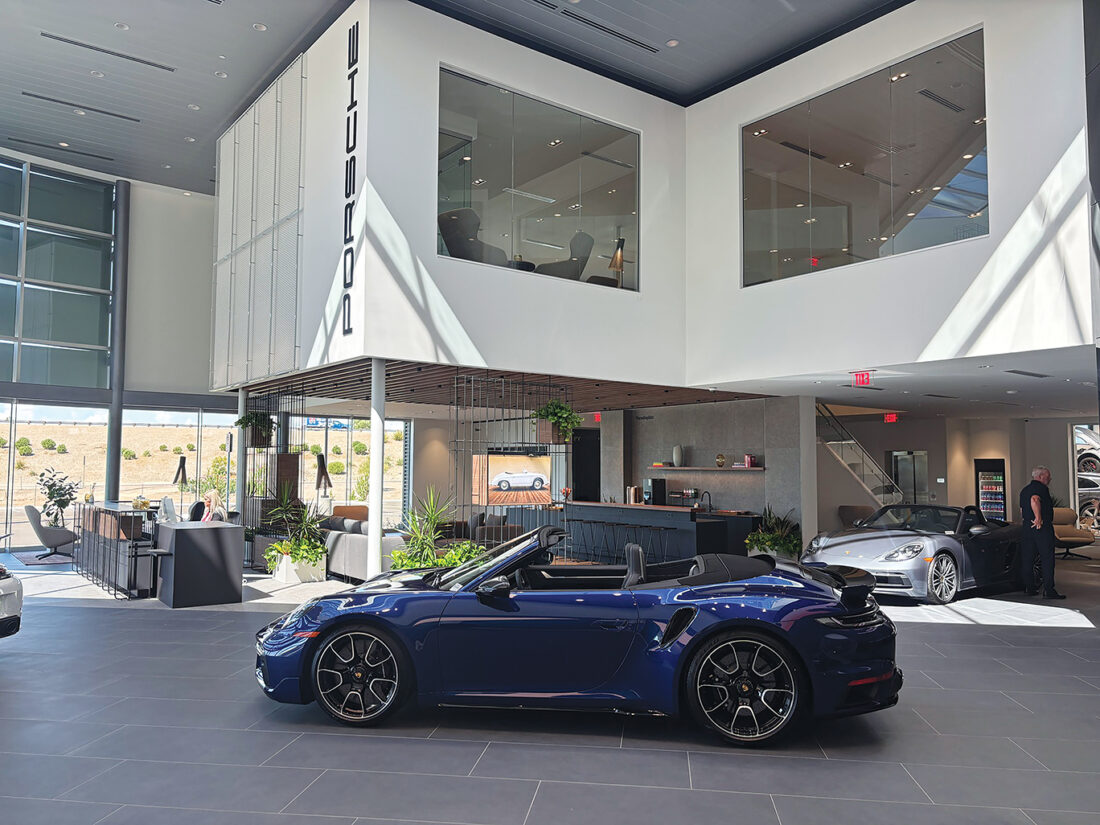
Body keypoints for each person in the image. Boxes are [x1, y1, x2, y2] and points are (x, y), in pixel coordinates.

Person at [1019, 465, 1064, 600]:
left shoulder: (1024, 490)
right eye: (1048, 476)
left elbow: (1021, 510)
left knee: (1028, 558)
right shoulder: (1040, 488)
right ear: (1041, 477)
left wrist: (1029, 520)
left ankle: (1029, 587)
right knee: (1047, 558)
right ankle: (1049, 590)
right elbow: (1035, 500)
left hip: (1027, 527)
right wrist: (1038, 518)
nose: (1050, 479)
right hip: (1041, 528)